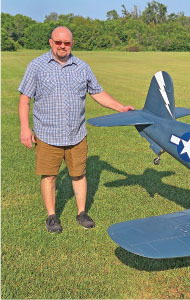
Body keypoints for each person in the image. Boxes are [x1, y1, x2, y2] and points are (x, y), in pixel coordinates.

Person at [18, 26, 134, 233]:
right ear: (51, 42)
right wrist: (25, 129)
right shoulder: (36, 66)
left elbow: (97, 93)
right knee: (49, 175)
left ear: (72, 44)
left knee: (79, 174)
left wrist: (120, 107)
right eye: (59, 42)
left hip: (76, 134)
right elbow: (25, 99)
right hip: (47, 134)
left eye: (67, 43)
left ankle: (82, 213)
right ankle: (52, 216)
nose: (63, 46)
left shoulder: (82, 67)